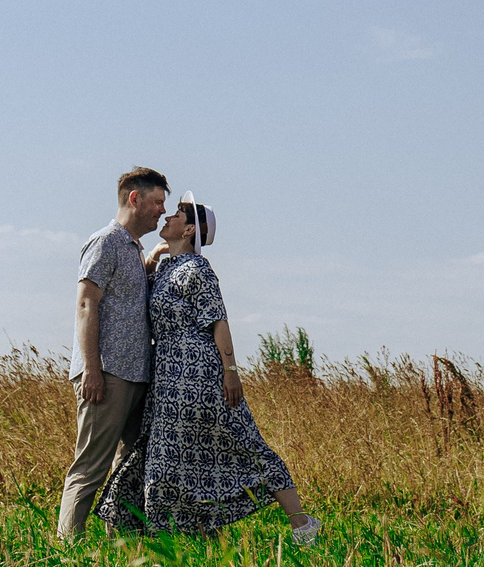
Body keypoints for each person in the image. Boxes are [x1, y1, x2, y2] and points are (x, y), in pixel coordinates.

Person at [98, 194, 320, 545]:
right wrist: (154, 256)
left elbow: (218, 321)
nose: (167, 217)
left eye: (177, 215)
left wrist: (230, 370)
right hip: (167, 377)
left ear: (189, 230)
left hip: (200, 372)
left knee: (244, 444)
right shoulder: (167, 268)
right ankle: (188, 537)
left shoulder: (198, 269)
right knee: (169, 459)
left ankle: (302, 524)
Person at [55, 166, 169, 541]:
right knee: (91, 465)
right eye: (157, 202)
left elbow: (126, 300)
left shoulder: (133, 249)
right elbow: (86, 304)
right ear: (135, 199)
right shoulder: (105, 242)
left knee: (129, 464)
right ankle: (68, 547)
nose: (161, 211)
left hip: (136, 374)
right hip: (107, 373)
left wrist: (150, 263)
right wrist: (92, 369)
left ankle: (121, 541)